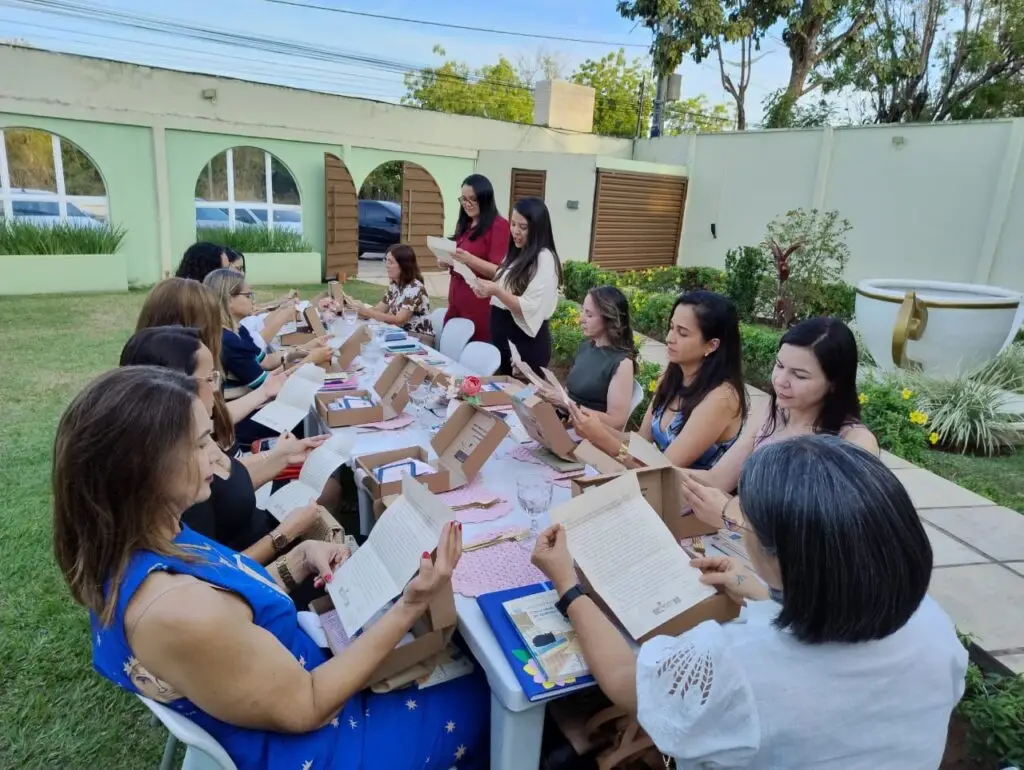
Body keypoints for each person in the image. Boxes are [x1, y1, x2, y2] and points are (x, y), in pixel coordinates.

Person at [53, 366, 489, 770]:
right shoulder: (175, 611)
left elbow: (230, 592)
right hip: (321, 741)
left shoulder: (147, 534)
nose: (221, 460)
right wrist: (409, 606)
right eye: (203, 444)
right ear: (141, 469)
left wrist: (299, 558)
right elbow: (310, 707)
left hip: (286, 678)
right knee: (488, 692)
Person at [531, 434, 967, 768]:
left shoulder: (740, 660)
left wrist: (568, 585)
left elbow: (628, 683)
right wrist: (759, 591)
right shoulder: (933, 623)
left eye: (745, 525)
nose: (740, 531)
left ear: (787, 559)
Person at [120, 326, 332, 567]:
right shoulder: (175, 478)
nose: (217, 387)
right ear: (174, 385)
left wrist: (281, 457)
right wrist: (285, 535)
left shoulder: (189, 440)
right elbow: (211, 571)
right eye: (210, 377)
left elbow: (228, 484)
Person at [681, 315, 879, 528]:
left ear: (835, 383)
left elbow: (826, 530)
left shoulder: (854, 442)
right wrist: (653, 471)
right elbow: (718, 479)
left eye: (800, 375)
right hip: (745, 545)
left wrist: (730, 514)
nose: (781, 380)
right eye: (779, 365)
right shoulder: (772, 414)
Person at [572, 291, 746, 470]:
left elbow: (662, 470)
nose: (669, 338)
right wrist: (592, 424)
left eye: (683, 333)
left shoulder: (721, 398)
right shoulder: (672, 377)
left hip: (683, 493)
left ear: (711, 345)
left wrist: (602, 438)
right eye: (671, 327)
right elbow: (642, 441)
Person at [135, 278, 286, 451]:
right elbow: (225, 468)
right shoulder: (195, 363)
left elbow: (216, 420)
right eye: (213, 319)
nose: (219, 328)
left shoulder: (146, 370)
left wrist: (265, 392)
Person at [473, 197, 561, 376]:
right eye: (513, 224)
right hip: (503, 342)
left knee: (521, 401)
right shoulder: (516, 253)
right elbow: (503, 286)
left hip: (524, 345)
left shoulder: (544, 258)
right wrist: (485, 288)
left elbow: (529, 306)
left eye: (523, 227)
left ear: (537, 228)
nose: (515, 232)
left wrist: (496, 290)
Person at [534, 286, 636, 429]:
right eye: (582, 311)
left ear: (609, 319)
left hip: (590, 436)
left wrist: (568, 405)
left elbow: (615, 421)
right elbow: (570, 394)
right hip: (567, 422)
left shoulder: (622, 363)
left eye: (589, 315)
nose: (581, 319)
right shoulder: (586, 347)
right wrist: (543, 387)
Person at [444, 173, 510, 342]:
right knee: (450, 350)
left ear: (484, 198)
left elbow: (499, 272)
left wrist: (470, 260)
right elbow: (461, 258)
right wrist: (447, 261)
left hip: (479, 304)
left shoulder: (499, 226)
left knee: (472, 353)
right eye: (463, 199)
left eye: (472, 199)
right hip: (456, 300)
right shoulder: (465, 223)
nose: (467, 204)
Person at [352, 244, 433, 335]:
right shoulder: (395, 286)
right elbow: (378, 310)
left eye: (391, 262)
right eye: (386, 260)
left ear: (403, 266)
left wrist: (367, 312)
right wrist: (354, 309)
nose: (387, 265)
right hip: (400, 334)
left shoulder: (415, 288)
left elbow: (399, 320)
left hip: (418, 337)